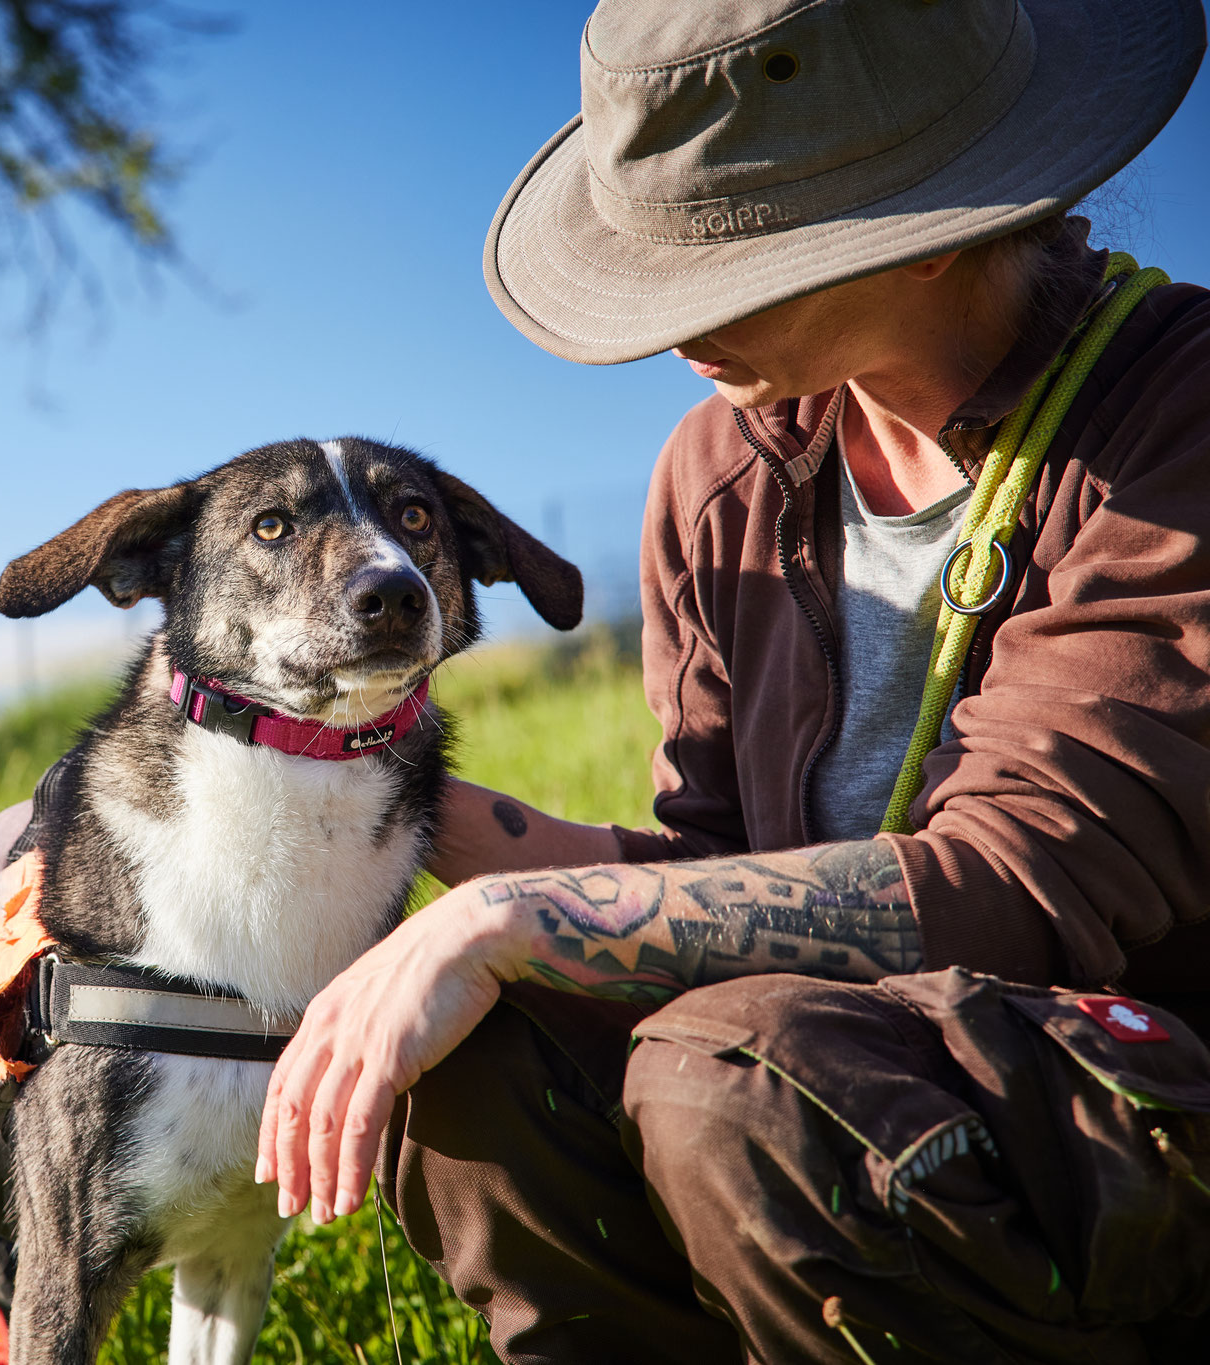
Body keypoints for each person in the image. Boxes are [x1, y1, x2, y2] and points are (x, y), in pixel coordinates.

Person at [255, 0, 1210, 1359]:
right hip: (841, 1075)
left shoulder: (1179, 414)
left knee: (733, 1081)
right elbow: (710, 871)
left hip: (1144, 1104)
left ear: (925, 227)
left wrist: (512, 916)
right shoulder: (720, 476)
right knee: (489, 1051)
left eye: (728, 264)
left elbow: (1015, 883)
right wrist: (329, 801)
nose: (668, 327)